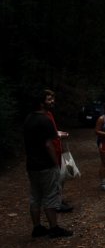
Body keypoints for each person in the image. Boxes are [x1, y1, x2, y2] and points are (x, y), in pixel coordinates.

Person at [23, 89, 73, 238]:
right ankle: (54, 228)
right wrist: (55, 163)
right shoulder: (45, 120)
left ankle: (37, 227)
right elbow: (48, 144)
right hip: (45, 165)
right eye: (49, 99)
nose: (52, 101)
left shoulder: (28, 119)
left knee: (35, 196)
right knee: (51, 195)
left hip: (32, 164)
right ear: (41, 103)